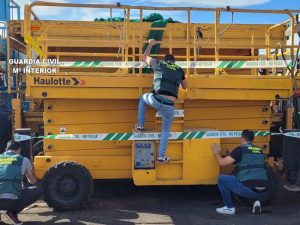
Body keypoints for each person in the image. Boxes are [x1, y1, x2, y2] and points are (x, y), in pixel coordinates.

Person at [135, 39, 187, 164]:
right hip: (169, 106)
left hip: (156, 99)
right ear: (174, 62)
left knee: (142, 98)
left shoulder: (158, 63)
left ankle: (141, 125)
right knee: (165, 131)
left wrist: (151, 44)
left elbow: (144, 57)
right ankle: (161, 157)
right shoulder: (179, 69)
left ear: (165, 59)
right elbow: (185, 86)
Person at [211, 129, 269, 215]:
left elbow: (222, 163)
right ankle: (256, 202)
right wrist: (232, 155)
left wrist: (217, 153)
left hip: (249, 191)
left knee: (221, 178)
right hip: (265, 192)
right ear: (252, 139)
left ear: (242, 139)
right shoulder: (259, 150)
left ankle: (229, 207)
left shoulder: (239, 149)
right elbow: (247, 162)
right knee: (254, 177)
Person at [0, 140, 42, 225]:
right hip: (11, 201)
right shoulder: (23, 160)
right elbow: (32, 181)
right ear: (19, 149)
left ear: (6, 149)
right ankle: (13, 212)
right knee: (38, 189)